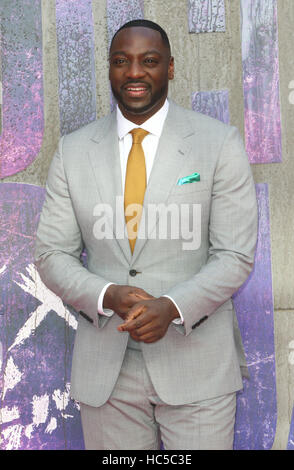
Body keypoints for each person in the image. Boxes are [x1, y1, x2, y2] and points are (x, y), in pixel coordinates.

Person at [35, 19, 258, 450]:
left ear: (170, 68)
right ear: (110, 69)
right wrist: (107, 296)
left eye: (149, 61)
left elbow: (235, 256)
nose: (134, 72)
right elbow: (51, 254)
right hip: (107, 373)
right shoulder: (73, 151)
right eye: (122, 61)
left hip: (197, 366)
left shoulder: (218, 144)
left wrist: (173, 306)